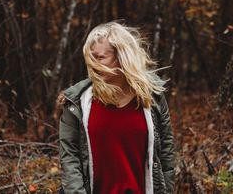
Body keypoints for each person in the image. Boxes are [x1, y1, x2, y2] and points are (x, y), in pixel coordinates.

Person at [58, 22, 175, 194]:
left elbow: (166, 152)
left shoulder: (152, 98)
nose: (93, 65)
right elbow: (70, 157)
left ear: (123, 56)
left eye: (101, 57)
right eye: (91, 58)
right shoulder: (77, 102)